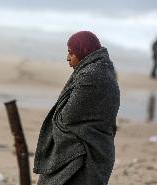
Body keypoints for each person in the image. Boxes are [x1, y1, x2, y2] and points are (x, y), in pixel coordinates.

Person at [33, 31, 120, 185]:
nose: (68, 58)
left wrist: (58, 121)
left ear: (83, 51)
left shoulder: (91, 75)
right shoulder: (104, 70)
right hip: (99, 150)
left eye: (71, 53)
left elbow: (67, 117)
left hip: (84, 155)